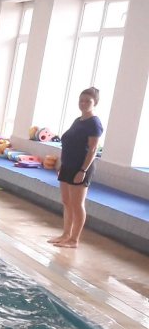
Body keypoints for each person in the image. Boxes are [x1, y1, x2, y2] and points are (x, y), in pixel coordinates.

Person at [50, 87, 103, 248]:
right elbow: (69, 143)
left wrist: (83, 170)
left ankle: (74, 240)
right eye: (81, 100)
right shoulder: (78, 120)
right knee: (66, 201)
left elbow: (93, 149)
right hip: (68, 165)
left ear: (95, 103)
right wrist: (62, 164)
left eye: (88, 101)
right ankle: (66, 234)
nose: (83, 103)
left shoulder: (94, 123)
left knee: (77, 204)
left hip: (81, 167)